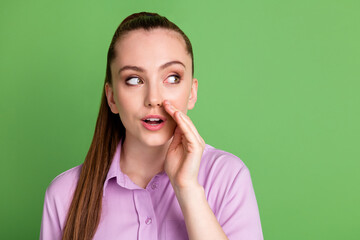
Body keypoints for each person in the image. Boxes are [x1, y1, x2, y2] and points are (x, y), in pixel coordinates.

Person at [40, 12, 264, 240]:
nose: (154, 98)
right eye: (134, 80)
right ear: (112, 98)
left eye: (172, 77)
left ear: (192, 92)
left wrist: (187, 189)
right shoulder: (64, 194)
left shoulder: (228, 177)